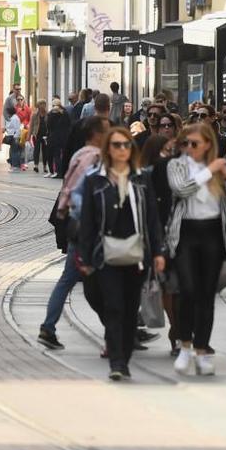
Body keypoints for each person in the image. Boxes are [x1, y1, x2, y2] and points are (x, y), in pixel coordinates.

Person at [75, 125, 165, 380]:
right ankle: (117, 362)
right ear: (108, 149)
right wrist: (85, 256)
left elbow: (152, 219)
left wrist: (158, 252)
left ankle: (124, 356)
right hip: (106, 254)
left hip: (137, 255)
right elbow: (88, 221)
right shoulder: (95, 180)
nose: (122, 149)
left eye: (126, 145)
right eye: (116, 145)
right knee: (113, 306)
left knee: (129, 308)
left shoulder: (141, 179)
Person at [166, 123, 226, 376]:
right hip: (186, 233)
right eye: (185, 143)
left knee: (206, 295)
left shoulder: (219, 168)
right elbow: (181, 189)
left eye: (195, 143)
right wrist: (210, 171)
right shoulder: (177, 165)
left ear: (208, 144)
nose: (189, 148)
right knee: (187, 290)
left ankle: (202, 350)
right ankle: (185, 345)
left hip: (213, 234)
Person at [39, 117, 110, 350]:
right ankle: (121, 329)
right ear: (96, 134)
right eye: (107, 131)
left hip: (77, 224)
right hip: (88, 228)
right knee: (104, 282)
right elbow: (84, 193)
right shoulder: (93, 158)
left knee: (70, 280)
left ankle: (49, 327)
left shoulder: (79, 154)